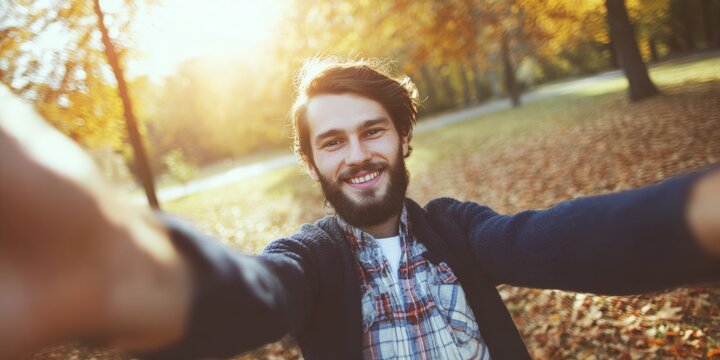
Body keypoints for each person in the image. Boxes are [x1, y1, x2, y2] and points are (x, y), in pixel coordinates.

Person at [0, 60, 718, 360]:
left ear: (403, 137)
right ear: (311, 162)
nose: (358, 155)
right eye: (333, 141)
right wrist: (135, 276)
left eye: (373, 131)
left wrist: (697, 216)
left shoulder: (458, 228)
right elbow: (262, 292)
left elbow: (557, 240)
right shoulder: (312, 259)